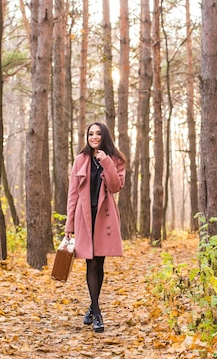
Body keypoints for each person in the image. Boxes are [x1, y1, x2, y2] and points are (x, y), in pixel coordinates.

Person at [65, 122, 126, 333]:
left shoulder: (116, 159)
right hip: (84, 218)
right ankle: (97, 312)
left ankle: (92, 306)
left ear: (104, 136)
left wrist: (106, 161)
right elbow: (73, 193)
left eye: (98, 133)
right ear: (87, 137)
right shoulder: (80, 159)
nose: (94, 137)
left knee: (100, 264)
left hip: (105, 218)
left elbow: (116, 186)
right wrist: (69, 224)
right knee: (90, 263)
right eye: (90, 133)